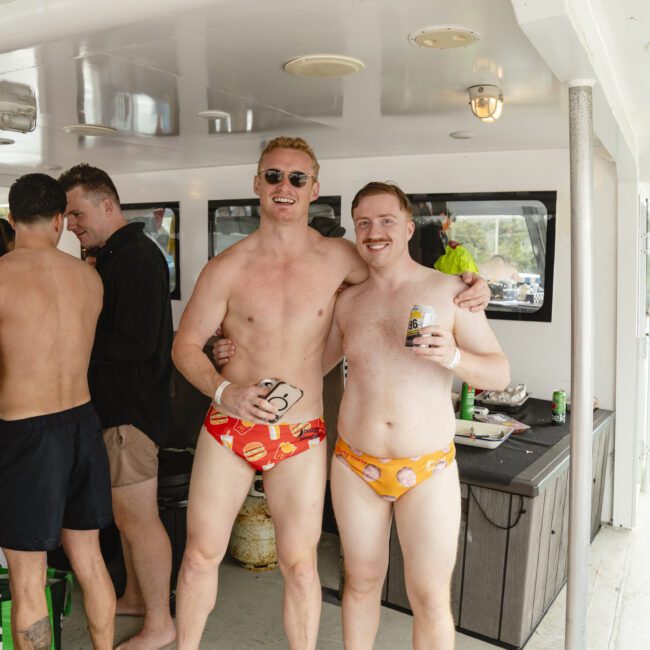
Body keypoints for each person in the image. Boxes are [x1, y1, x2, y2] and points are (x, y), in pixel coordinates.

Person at [172, 136, 491, 649]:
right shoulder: (225, 267)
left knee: (300, 565)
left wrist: (471, 287)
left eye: (297, 179)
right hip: (232, 425)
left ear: (313, 189)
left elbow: (402, 278)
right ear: (257, 184)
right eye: (273, 176)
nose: (284, 187)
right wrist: (224, 390)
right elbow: (185, 347)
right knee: (199, 554)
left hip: (301, 431)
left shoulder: (342, 257)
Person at [324, 182, 510, 648]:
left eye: (386, 221)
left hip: (427, 469)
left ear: (408, 228)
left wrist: (452, 357)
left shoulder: (450, 291)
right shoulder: (347, 301)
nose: (374, 232)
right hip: (354, 464)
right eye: (363, 222)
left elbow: (499, 373)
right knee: (361, 583)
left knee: (428, 596)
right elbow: (309, 364)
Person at [59, 164, 175, 650]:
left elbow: (135, 341)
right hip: (115, 413)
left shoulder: (136, 259)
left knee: (139, 519)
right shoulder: (111, 256)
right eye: (66, 216)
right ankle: (132, 596)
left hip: (131, 416)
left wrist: (71, 337)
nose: (70, 224)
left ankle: (161, 625)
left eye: (77, 212)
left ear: (108, 204)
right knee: (126, 518)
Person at [0, 173, 115, 649]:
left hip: (26, 435)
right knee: (89, 560)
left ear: (11, 218)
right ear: (57, 221)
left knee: (29, 577)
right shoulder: (88, 278)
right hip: (82, 426)